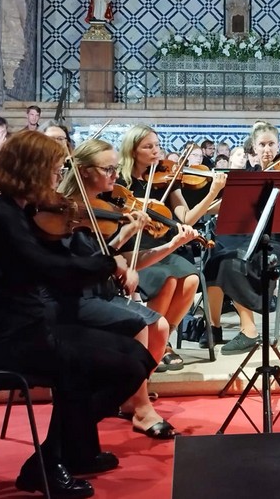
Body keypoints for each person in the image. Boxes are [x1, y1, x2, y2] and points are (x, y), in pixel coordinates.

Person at [0, 130, 155, 496]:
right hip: (13, 337)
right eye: (56, 168)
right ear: (33, 169)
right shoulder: (1, 216)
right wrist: (106, 264)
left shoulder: (22, 210)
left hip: (37, 327)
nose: (60, 175)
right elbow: (48, 267)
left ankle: (77, 448)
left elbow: (58, 259)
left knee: (138, 358)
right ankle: (45, 462)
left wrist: (103, 261)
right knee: (111, 368)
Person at [57, 139, 200, 438]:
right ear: (82, 172)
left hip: (101, 291)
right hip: (75, 296)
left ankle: (128, 392)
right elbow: (82, 261)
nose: (114, 174)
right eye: (107, 169)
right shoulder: (63, 210)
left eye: (113, 167)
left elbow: (118, 257)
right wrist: (116, 258)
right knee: (142, 325)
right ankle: (141, 408)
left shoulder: (103, 208)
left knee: (160, 326)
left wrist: (170, 244)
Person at [119, 125, 225, 367]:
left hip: (164, 246)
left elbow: (187, 218)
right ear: (132, 151)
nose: (156, 151)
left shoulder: (167, 178)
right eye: (148, 147)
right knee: (166, 282)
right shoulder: (121, 181)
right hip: (135, 249)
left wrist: (213, 192)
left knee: (191, 279)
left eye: (157, 145)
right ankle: (157, 342)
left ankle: (162, 337)